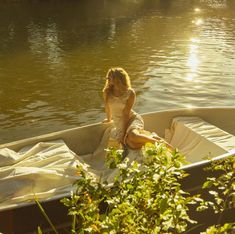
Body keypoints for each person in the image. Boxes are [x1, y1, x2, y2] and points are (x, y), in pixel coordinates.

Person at [102, 67, 171, 150]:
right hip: (119, 123)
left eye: (110, 77)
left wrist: (123, 133)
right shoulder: (107, 92)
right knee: (132, 145)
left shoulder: (130, 93)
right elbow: (107, 107)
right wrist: (109, 119)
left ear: (117, 79)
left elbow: (126, 114)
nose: (107, 79)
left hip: (131, 119)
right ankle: (152, 137)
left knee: (133, 136)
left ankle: (160, 143)